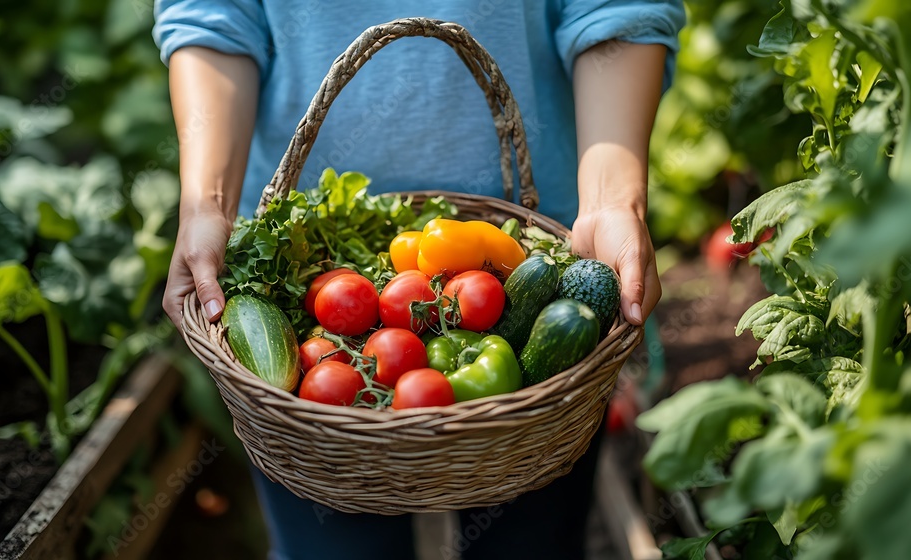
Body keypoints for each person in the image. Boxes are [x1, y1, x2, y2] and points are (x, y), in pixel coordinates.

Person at [154, 1, 683, 559]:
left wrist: (611, 202)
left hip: (544, 244)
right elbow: (211, 18)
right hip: (306, 245)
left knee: (531, 546)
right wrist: (207, 207)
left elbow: (618, 10)